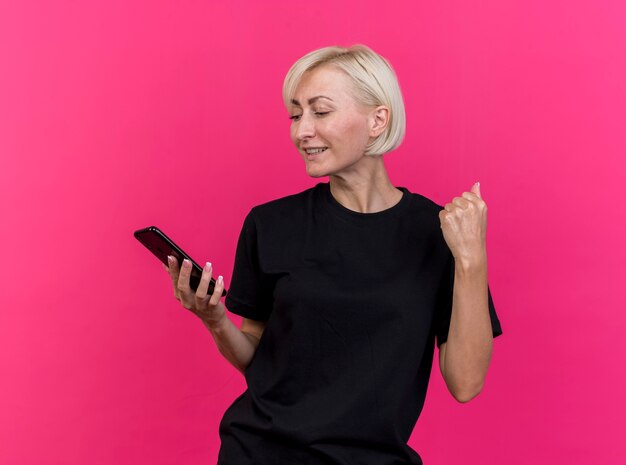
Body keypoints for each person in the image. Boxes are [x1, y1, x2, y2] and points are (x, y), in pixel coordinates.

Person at [165, 44, 503, 465]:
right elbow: (257, 358)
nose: (301, 130)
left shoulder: (439, 233)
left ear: (378, 120)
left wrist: (471, 258)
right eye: (295, 114)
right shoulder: (270, 225)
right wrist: (215, 321)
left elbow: (466, 383)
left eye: (320, 112)